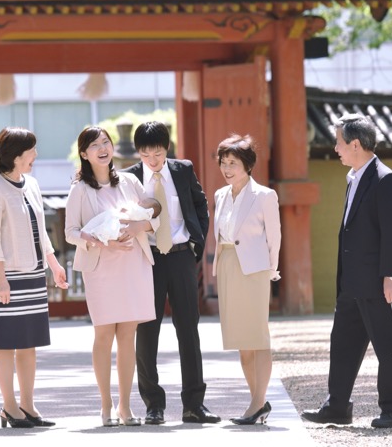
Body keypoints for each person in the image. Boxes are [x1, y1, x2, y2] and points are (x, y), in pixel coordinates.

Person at [301, 113, 392, 428]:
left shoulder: (385, 179)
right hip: (351, 282)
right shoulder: (354, 177)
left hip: (380, 282)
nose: (335, 148)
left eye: (338, 143)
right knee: (343, 343)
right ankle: (337, 406)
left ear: (355, 144)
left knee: (388, 346)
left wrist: (391, 276)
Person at [123, 121, 220, 425]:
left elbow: (200, 204)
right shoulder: (129, 178)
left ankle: (194, 404)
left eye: (159, 153)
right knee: (147, 332)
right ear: (139, 152)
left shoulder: (182, 169)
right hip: (147, 259)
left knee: (188, 330)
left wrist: (196, 242)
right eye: (146, 154)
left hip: (180, 257)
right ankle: (154, 405)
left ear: (168, 148)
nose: (153, 160)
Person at [65, 126, 157, 427]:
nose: (102, 148)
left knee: (128, 337)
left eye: (106, 142)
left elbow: (152, 214)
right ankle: (106, 405)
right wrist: (100, 240)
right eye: (94, 145)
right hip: (102, 268)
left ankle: (126, 407)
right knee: (104, 336)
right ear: (84, 154)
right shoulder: (79, 189)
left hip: (133, 263)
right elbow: (70, 233)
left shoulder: (130, 181)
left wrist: (137, 225)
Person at [0, 127, 69, 429]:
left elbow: (41, 231)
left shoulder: (30, 184)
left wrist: (53, 264)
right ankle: (8, 406)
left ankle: (27, 405)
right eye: (32, 151)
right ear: (17, 156)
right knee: (6, 343)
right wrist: (0, 278)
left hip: (31, 273)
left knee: (28, 342)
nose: (36, 156)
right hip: (5, 276)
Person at [212, 134, 281, 425]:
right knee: (240, 339)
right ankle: (259, 402)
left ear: (247, 165)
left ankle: (255, 404)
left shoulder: (264, 195)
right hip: (227, 265)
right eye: (223, 162)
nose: (227, 168)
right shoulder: (219, 195)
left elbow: (274, 236)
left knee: (258, 336)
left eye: (233, 163)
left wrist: (272, 269)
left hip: (254, 270)